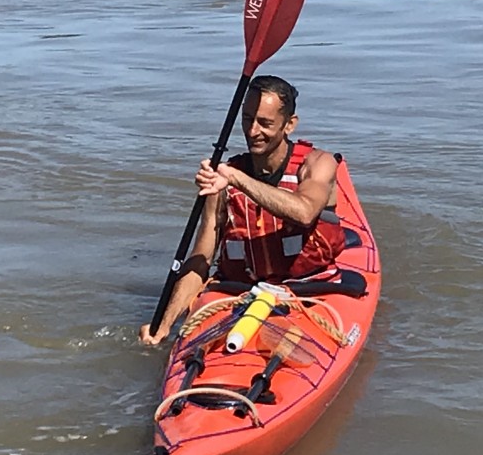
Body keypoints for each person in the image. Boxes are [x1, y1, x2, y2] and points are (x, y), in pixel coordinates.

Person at [140, 75, 348, 345]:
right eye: (248, 119)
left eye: (265, 123)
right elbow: (202, 257)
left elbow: (305, 212)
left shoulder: (318, 163)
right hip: (240, 292)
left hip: (309, 289)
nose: (252, 131)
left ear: (289, 125)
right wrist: (164, 324)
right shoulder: (223, 178)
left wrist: (236, 179)